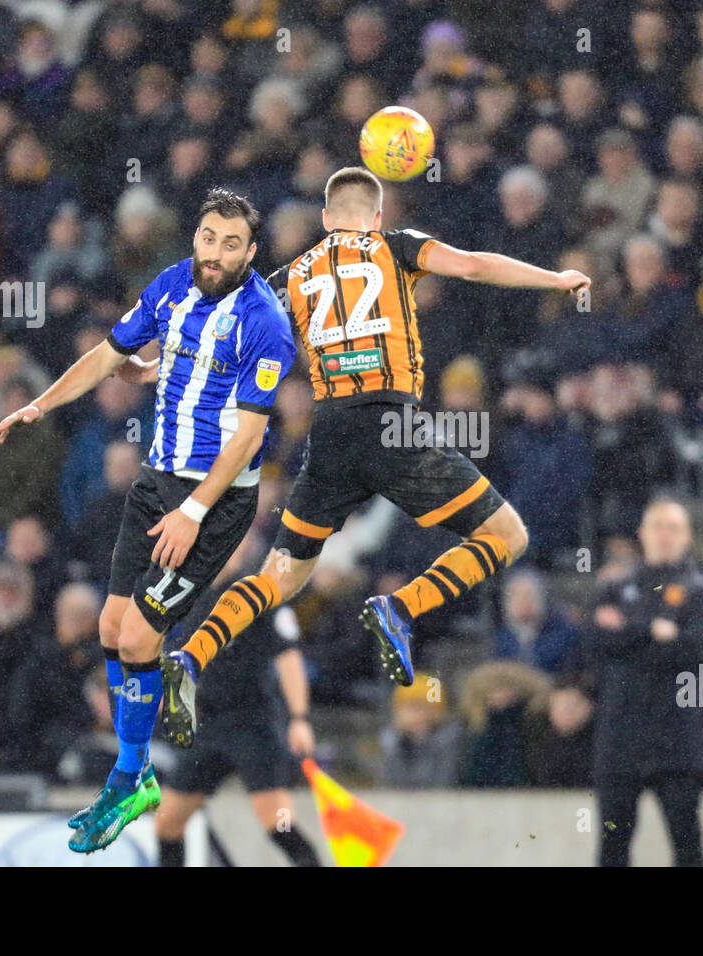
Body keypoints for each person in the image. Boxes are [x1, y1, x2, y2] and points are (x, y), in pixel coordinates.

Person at [151, 166, 590, 747]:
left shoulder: (292, 274)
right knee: (506, 536)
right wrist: (555, 279)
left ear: (327, 220)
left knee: (280, 577)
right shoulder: (395, 246)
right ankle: (401, 609)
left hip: (329, 430)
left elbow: (220, 331)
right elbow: (474, 264)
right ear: (377, 217)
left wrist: (155, 361)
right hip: (391, 424)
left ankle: (192, 655)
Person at [0, 187, 296, 853]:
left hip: (211, 502)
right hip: (158, 482)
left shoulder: (266, 322)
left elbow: (246, 438)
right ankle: (133, 767)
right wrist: (39, 406)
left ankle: (133, 774)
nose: (214, 252)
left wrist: (194, 511)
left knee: (135, 638)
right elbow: (108, 356)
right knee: (108, 624)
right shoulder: (170, 286)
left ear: (251, 252)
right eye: (207, 238)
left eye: (230, 243)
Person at [151, 547, 319, 867]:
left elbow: (288, 656)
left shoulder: (261, 593)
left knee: (277, 823)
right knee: (168, 821)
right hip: (208, 725)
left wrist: (299, 718)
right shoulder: (199, 598)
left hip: (252, 725)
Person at [580, 497, 703, 866]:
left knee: (686, 844)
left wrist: (627, 630)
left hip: (675, 737)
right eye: (657, 525)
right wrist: (651, 630)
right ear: (642, 534)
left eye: (673, 527)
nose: (664, 534)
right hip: (620, 738)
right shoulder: (616, 586)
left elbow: (691, 648)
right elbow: (595, 639)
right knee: (613, 846)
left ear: (687, 536)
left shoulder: (701, 590)